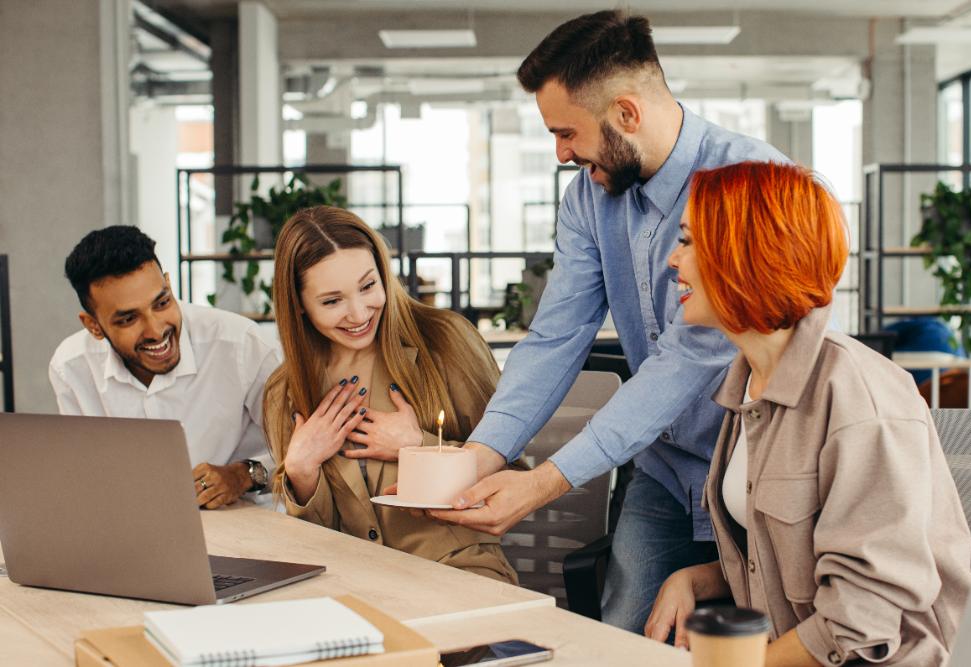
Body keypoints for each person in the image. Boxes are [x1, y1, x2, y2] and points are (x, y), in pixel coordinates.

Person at [429, 9, 786, 631]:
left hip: (758, 467)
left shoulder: (744, 184)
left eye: (567, 133)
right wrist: (484, 455)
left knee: (756, 639)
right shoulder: (591, 197)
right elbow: (555, 335)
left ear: (627, 113)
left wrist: (544, 483)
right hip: (665, 469)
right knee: (626, 631)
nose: (562, 153)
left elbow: (689, 356)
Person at [644, 161, 971, 665]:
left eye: (687, 241)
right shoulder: (748, 384)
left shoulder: (859, 394)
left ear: (742, 251)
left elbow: (862, 613)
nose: (673, 260)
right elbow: (785, 554)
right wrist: (696, 577)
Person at [262, 206, 517, 584]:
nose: (359, 312)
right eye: (332, 301)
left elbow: (513, 475)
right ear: (298, 304)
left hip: (458, 573)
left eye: (368, 286)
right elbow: (314, 544)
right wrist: (301, 471)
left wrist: (419, 447)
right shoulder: (285, 392)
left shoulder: (445, 342)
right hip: (352, 585)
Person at [49, 226, 279, 509]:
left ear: (168, 285)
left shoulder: (241, 344)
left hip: (246, 527)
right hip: (133, 529)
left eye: (161, 302)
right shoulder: (70, 367)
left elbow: (301, 454)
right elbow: (85, 471)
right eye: (128, 319)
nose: (156, 331)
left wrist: (242, 476)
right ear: (93, 326)